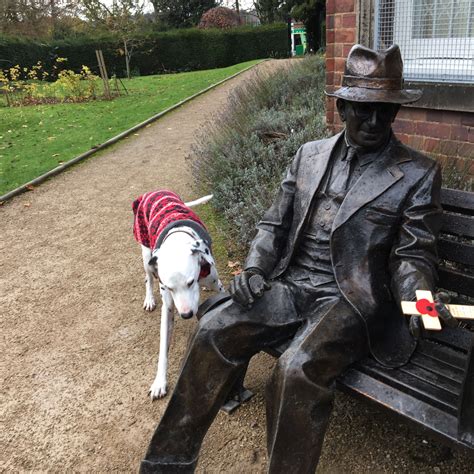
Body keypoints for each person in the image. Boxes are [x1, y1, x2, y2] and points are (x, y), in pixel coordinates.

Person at [140, 44, 449, 473]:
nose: (376, 121)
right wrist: (255, 267)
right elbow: (273, 224)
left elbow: (414, 254)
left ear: (396, 111)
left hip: (350, 300)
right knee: (213, 326)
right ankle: (165, 464)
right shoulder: (309, 155)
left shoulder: (418, 172)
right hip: (290, 283)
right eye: (364, 109)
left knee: (296, 369)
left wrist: (421, 300)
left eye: (386, 110)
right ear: (343, 107)